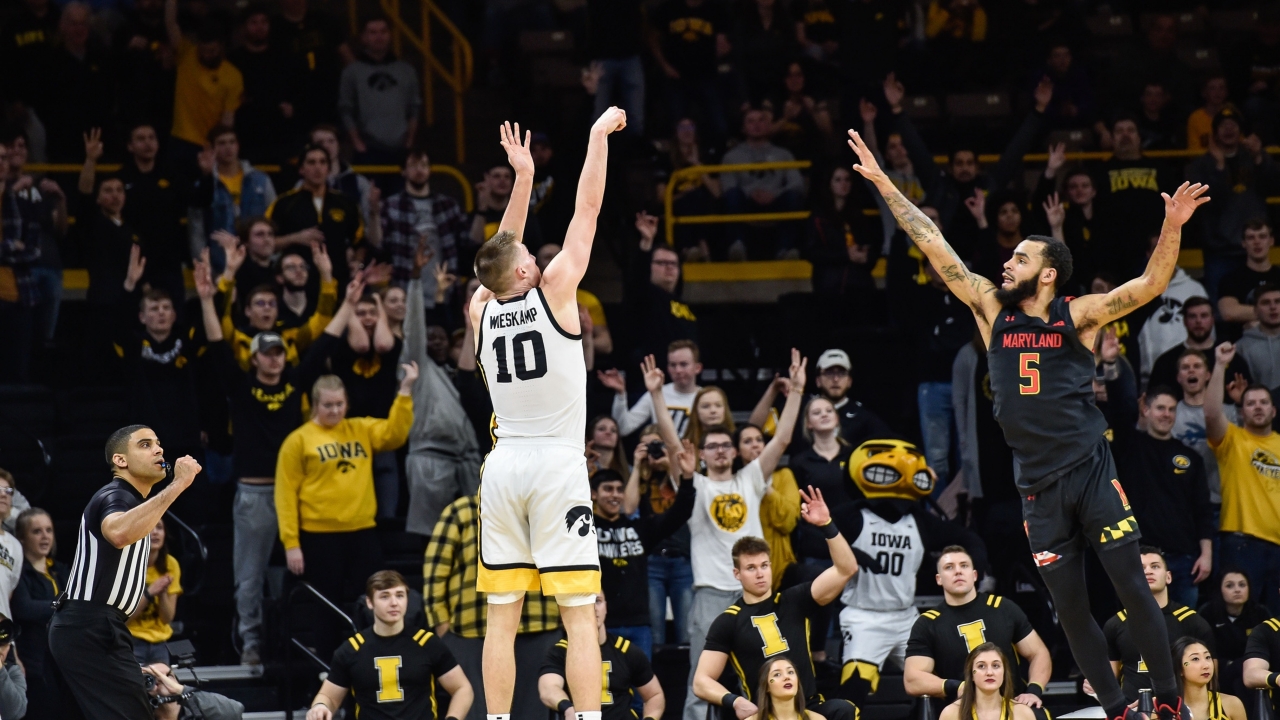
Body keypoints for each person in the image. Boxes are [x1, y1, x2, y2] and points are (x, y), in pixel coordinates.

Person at [851, 126, 1212, 720]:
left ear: (1047, 273)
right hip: (1036, 483)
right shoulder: (991, 308)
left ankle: (1170, 702)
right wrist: (886, 184)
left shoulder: (1079, 315)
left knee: (1131, 584)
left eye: (1020, 257)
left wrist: (1172, 224)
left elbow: (1150, 285)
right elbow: (934, 243)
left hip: (1090, 468)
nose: (1007, 261)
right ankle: (1118, 709)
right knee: (1069, 609)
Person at [469, 109, 627, 720]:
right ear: (525, 270)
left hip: (503, 467)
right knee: (580, 615)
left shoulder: (480, 310)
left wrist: (524, 179)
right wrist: (595, 137)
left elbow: (497, 255)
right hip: (556, 467)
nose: (536, 255)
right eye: (529, 255)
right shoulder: (556, 292)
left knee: (500, 619)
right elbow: (588, 209)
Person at [197, 257, 355, 665]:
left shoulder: (295, 382)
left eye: (279, 352)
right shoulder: (241, 386)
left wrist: (348, 302)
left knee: (307, 572)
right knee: (248, 577)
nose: (274, 358)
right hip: (254, 495)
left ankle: (306, 642)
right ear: (255, 358)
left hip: (298, 495)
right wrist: (207, 300)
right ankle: (250, 643)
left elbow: (324, 344)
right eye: (267, 354)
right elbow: (217, 347)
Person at [680, 350, 804, 720]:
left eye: (725, 445)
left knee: (767, 675)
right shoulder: (697, 484)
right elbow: (673, 447)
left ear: (736, 451)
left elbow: (781, 440)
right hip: (709, 593)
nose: (720, 451)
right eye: (712, 446)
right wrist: (656, 394)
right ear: (702, 454)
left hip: (753, 593)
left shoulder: (749, 477)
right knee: (700, 681)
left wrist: (797, 391)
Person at [48, 426, 200, 720]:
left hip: (93, 626)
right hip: (89, 625)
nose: (159, 450)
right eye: (145, 444)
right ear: (120, 460)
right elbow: (118, 533)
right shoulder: (116, 495)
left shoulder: (137, 504)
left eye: (158, 443)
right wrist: (179, 484)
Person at [692, 494, 860, 720]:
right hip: (765, 713)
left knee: (845, 709)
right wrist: (735, 701)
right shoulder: (729, 621)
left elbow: (846, 569)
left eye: (764, 565)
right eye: (751, 568)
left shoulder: (795, 600)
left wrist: (826, 525)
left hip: (807, 708)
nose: (760, 573)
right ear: (737, 574)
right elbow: (701, 681)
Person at [275, 362, 416, 626]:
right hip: (319, 536)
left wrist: (405, 393)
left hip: (362, 532)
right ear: (315, 405)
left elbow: (394, 435)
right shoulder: (298, 441)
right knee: (327, 606)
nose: (335, 410)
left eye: (340, 404)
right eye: (328, 405)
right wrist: (291, 543)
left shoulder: (360, 429)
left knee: (375, 600)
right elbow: (285, 495)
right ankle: (327, 653)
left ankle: (372, 648)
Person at [422, 492, 564, 720]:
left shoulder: (543, 508)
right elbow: (436, 568)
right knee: (477, 711)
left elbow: (563, 560)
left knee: (533, 713)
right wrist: (440, 622)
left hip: (540, 625)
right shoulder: (462, 511)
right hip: (473, 629)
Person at [307, 570, 473, 720]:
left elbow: (462, 688)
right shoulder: (352, 649)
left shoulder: (427, 643)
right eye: (385, 596)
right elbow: (328, 697)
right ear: (370, 602)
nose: (394, 603)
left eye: (399, 595)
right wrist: (320, 706)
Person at [401, 244, 483, 537]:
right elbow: (414, 330)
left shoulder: (461, 374)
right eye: (430, 337)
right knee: (431, 539)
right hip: (430, 458)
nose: (435, 341)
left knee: (474, 539)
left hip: (468, 461)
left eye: (441, 337)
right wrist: (415, 280)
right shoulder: (418, 367)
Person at [904, 547, 1051, 708]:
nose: (958, 571)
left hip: (1012, 707)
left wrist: (1033, 691)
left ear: (974, 575)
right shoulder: (928, 623)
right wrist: (958, 687)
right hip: (961, 711)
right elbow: (912, 679)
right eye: (949, 567)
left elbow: (1038, 653)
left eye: (964, 565)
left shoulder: (1003, 608)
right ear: (939, 579)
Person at [1113, 388, 1214, 608]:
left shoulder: (1191, 458)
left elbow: (1203, 510)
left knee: (1183, 624)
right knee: (1138, 624)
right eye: (1160, 408)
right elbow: (1119, 413)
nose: (1166, 414)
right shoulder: (1130, 447)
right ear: (1146, 410)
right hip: (1139, 556)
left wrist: (1206, 554)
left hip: (1184, 558)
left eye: (1171, 409)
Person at [1205, 343, 1280, 615]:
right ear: (1241, 410)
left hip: (1278, 547)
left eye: (1263, 402)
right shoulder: (1233, 439)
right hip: (1241, 544)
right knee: (1239, 618)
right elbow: (1211, 413)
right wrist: (1220, 364)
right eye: (1250, 403)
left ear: (1273, 410)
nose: (1257, 407)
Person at [1101, 547, 1218, 703]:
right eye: (1141, 568)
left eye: (1155, 566)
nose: (1148, 571)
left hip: (1180, 709)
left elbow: (1211, 678)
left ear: (1168, 577)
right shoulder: (1116, 624)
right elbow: (1109, 678)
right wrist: (1095, 683)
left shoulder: (1192, 622)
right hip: (1132, 710)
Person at [1188, 109, 1279, 301]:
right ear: (1214, 133)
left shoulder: (1254, 158)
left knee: (1262, 304)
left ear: (1241, 131)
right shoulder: (1201, 165)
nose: (1229, 129)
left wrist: (1260, 158)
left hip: (1254, 246)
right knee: (1219, 307)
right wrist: (1219, 168)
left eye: (1233, 125)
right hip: (1219, 251)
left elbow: (1273, 185)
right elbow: (1206, 200)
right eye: (1223, 125)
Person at [539, 595, 665, 720]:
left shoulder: (625, 650)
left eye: (597, 601)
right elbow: (548, 688)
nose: (593, 608)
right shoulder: (561, 651)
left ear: (606, 607)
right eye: (585, 603)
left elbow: (654, 695)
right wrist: (567, 708)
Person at [381, 149, 470, 310]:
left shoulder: (448, 206)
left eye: (423, 165)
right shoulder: (391, 205)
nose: (419, 170)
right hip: (405, 292)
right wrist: (373, 214)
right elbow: (379, 244)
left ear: (430, 170)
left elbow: (467, 244)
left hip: (444, 292)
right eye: (413, 165)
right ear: (403, 171)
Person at [268, 143, 365, 286]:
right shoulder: (284, 204)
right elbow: (266, 243)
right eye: (311, 162)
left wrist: (357, 262)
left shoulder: (346, 203)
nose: (317, 167)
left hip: (338, 280)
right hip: (296, 283)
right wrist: (295, 238)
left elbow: (360, 242)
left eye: (322, 162)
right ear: (301, 169)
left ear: (328, 169)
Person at [720, 106, 805, 259]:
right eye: (751, 121)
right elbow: (728, 185)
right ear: (743, 128)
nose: (756, 125)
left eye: (761, 120)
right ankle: (737, 246)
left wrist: (774, 194)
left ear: (768, 125)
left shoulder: (783, 154)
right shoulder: (731, 156)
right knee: (732, 195)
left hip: (775, 201)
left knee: (793, 196)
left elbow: (797, 183)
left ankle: (785, 249)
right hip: (747, 202)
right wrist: (750, 193)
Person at [164, 0, 243, 164]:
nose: (207, 55)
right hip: (181, 138)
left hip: (209, 144)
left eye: (212, 51)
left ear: (221, 47)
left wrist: (220, 144)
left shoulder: (233, 76)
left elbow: (228, 118)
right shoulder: (187, 55)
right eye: (203, 51)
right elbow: (171, 23)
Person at [189, 125, 277, 266]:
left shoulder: (260, 180)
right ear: (212, 149)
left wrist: (273, 256)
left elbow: (273, 218)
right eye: (222, 143)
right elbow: (197, 228)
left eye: (232, 142)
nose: (228, 148)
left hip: (257, 259)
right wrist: (203, 263)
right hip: (220, 261)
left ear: (238, 145)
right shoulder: (204, 185)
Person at [338, 15, 420, 164]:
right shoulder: (352, 72)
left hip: (401, 148)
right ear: (363, 37)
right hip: (367, 149)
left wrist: (409, 141)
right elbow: (346, 110)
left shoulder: (407, 71)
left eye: (383, 31)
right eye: (373, 32)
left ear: (390, 35)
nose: (379, 37)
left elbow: (414, 108)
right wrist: (357, 143)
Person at [228, 4, 301, 163]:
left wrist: (293, 106)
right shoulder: (233, 61)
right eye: (254, 22)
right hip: (247, 133)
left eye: (264, 22)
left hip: (280, 133)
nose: (259, 27)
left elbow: (298, 88)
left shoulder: (283, 57)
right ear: (244, 27)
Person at [13, 507, 66, 718]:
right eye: (36, 531)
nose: (45, 536)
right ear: (22, 538)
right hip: (34, 661)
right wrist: (61, 605)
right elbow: (24, 608)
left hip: (64, 660)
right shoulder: (18, 573)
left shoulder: (60, 570)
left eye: (49, 530)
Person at [627, 213, 700, 364]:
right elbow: (637, 278)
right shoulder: (646, 296)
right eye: (662, 263)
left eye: (673, 264)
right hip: (654, 375)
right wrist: (647, 242)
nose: (669, 268)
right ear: (649, 266)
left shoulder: (684, 304)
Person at [1147, 298, 1251, 399]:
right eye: (1192, 316)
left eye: (1204, 316)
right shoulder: (1166, 362)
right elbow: (1154, 401)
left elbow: (1248, 397)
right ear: (1185, 321)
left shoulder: (1231, 359)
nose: (1198, 321)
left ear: (1212, 320)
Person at [604, 340, 702, 438]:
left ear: (697, 368)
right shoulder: (656, 392)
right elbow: (623, 429)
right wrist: (620, 394)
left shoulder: (705, 396)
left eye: (683, 364)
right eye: (673, 365)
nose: (678, 370)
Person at [1198, 569, 1269, 692]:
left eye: (1242, 585)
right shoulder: (1207, 613)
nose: (1237, 590)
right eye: (1229, 586)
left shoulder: (1260, 614)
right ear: (1219, 589)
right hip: (1219, 670)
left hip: (1250, 670)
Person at [126, 519, 181, 665]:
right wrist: (150, 593)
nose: (155, 532)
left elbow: (167, 618)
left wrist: (162, 593)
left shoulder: (171, 564)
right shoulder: (125, 565)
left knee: (163, 681)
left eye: (159, 527)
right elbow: (122, 619)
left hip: (160, 644)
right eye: (150, 527)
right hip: (130, 642)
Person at [938, 645, 1035, 720]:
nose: (989, 672)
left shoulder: (1023, 713)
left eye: (995, 666)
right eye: (981, 666)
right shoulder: (952, 713)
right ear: (971, 674)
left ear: (1004, 673)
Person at [1217, 221, 1280, 327]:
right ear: (1243, 243)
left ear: (1271, 241)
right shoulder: (1230, 279)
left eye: (1262, 236)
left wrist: (1256, 317)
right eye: (1251, 238)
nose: (1257, 242)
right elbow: (1229, 312)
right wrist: (1274, 313)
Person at [141, 661, 245, 720]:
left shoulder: (197, 709)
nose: (161, 681)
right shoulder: (138, 714)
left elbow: (234, 711)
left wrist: (182, 690)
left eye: (168, 676)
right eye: (151, 678)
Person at [1173, 637, 1246, 720]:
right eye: (1195, 659)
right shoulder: (1168, 710)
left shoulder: (1232, 704)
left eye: (1208, 657)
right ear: (1179, 668)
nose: (1206, 665)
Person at [1234, 286, 1280, 389]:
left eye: (1278, 301)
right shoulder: (1241, 348)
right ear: (1255, 310)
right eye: (1266, 303)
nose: (1273, 307)